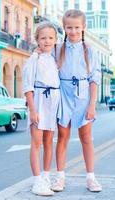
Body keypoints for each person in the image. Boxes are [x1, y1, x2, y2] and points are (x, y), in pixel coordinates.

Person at [50, 9, 102, 192]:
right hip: (64, 94)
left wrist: (92, 104)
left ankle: (91, 178)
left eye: (76, 27)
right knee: (63, 136)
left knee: (86, 137)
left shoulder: (89, 50)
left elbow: (95, 79)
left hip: (84, 95)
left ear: (83, 27)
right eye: (69, 27)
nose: (72, 31)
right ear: (64, 28)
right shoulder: (57, 49)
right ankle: (60, 177)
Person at [22, 21, 61, 196]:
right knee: (36, 143)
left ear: (55, 39)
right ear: (37, 39)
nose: (47, 41)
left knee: (48, 142)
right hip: (38, 101)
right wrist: (33, 110)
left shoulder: (55, 59)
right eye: (43, 38)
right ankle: (37, 181)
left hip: (52, 103)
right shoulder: (33, 59)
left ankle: (46, 176)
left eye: (51, 38)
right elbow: (28, 87)